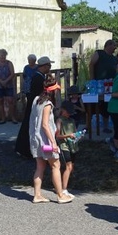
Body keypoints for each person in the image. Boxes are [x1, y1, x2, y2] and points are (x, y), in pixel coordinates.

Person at [29, 74, 73, 204]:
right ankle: (60, 195)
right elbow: (45, 124)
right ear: (53, 91)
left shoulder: (36, 99)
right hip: (45, 140)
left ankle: (37, 195)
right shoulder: (47, 104)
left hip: (35, 138)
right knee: (56, 165)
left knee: (40, 166)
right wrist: (53, 142)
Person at [15, 56, 54, 158]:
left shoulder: (39, 76)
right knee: (31, 127)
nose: (49, 68)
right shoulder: (38, 78)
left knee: (28, 125)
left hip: (33, 104)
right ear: (45, 66)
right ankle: (26, 149)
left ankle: (24, 148)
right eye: (49, 66)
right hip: (35, 105)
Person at [89, 39, 118, 133]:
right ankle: (90, 125)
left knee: (107, 103)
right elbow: (91, 65)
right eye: (114, 46)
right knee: (95, 104)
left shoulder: (114, 59)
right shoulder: (99, 53)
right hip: (98, 84)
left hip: (110, 84)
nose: (115, 48)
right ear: (108, 45)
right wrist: (92, 79)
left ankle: (106, 125)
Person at [56, 100, 79, 198]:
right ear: (62, 110)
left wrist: (77, 135)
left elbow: (75, 132)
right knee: (68, 166)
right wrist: (68, 136)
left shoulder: (72, 121)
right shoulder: (59, 120)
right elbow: (57, 136)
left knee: (71, 167)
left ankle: (66, 184)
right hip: (64, 146)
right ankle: (64, 189)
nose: (69, 114)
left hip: (72, 146)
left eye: (70, 112)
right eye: (67, 112)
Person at [0, 49, 17, 124]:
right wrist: (1, 81)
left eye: (4, 55)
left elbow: (12, 73)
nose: (2, 56)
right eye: (1, 55)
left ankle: (12, 117)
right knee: (0, 101)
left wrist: (5, 81)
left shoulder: (9, 63)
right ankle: (3, 118)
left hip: (8, 84)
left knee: (10, 101)